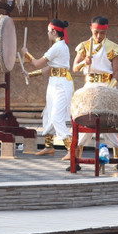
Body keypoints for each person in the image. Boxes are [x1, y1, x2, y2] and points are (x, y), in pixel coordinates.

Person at [71, 15, 118, 162]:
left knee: (110, 122)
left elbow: (117, 73)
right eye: (96, 32)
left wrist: (110, 90)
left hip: (107, 87)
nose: (99, 36)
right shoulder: (84, 46)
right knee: (84, 118)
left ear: (106, 31)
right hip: (89, 86)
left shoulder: (113, 48)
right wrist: (84, 62)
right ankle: (76, 158)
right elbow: (75, 67)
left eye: (102, 33)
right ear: (91, 28)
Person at [21, 19, 73, 157]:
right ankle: (49, 146)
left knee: (56, 117)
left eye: (48, 31)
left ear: (54, 32)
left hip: (61, 84)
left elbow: (37, 63)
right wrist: (29, 75)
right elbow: (50, 68)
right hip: (54, 82)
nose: (47, 33)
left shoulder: (58, 47)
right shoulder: (59, 47)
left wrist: (26, 53)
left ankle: (71, 149)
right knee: (48, 114)